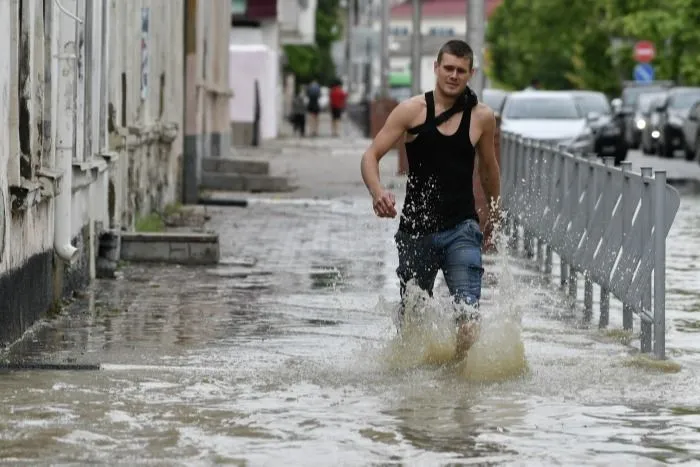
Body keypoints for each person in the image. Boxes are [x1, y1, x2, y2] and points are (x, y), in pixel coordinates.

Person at [359, 39, 501, 358]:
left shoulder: (481, 117)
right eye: (447, 68)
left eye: (460, 71)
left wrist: (495, 211)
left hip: (462, 229)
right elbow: (371, 156)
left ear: (471, 74)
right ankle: (416, 385)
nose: (453, 75)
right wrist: (377, 192)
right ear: (435, 68)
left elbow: (490, 170)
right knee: (413, 322)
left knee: (468, 318)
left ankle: (455, 374)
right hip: (415, 232)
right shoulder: (412, 110)